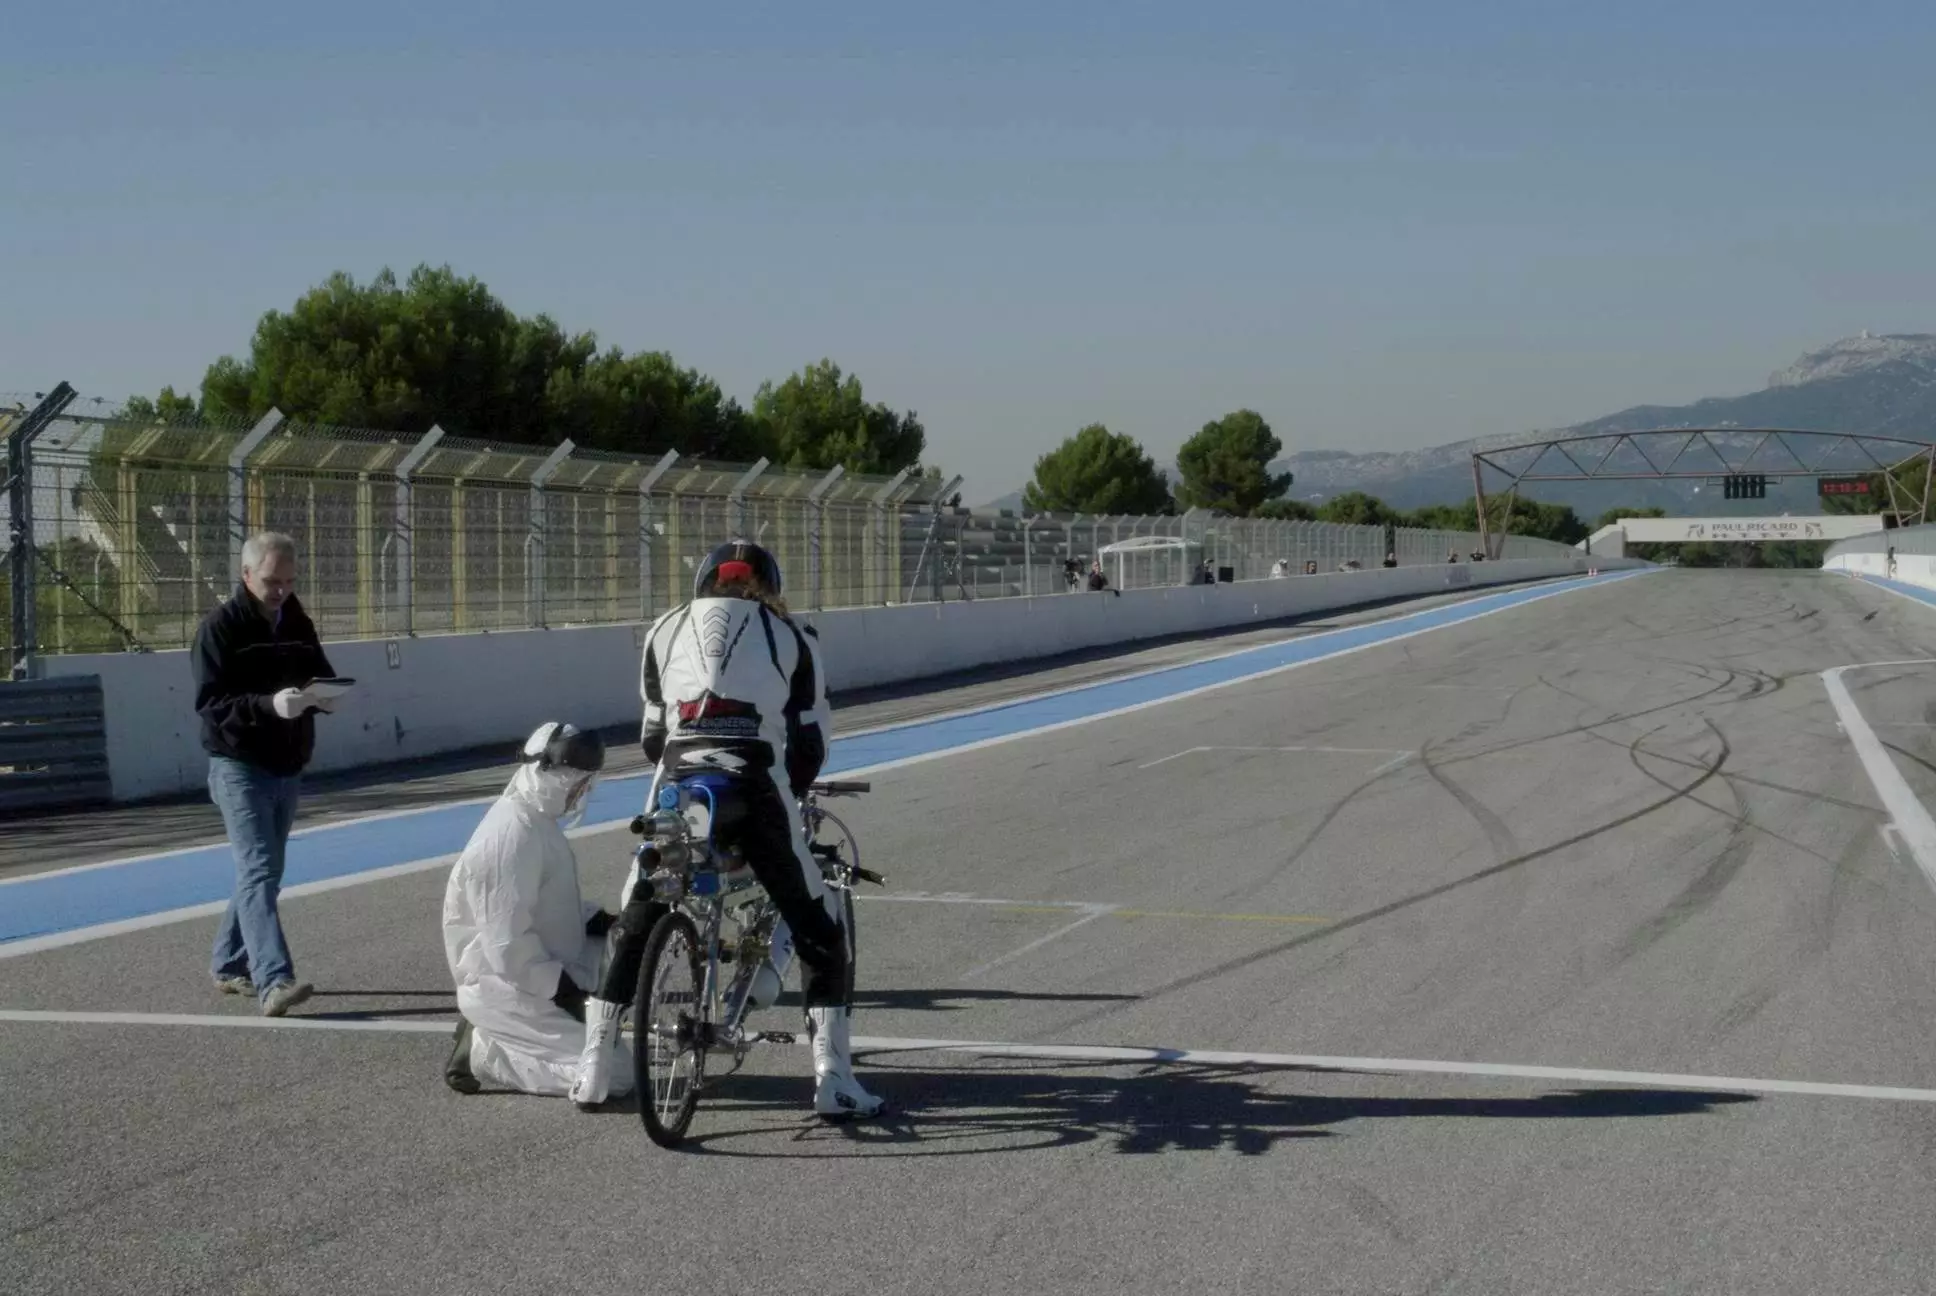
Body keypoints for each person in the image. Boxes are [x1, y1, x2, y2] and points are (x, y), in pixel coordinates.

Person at [569, 539, 887, 1123]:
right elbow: (810, 741)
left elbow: (652, 737)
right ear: (768, 586)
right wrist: (788, 792)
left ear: (702, 582)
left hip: (681, 788)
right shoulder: (794, 637)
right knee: (816, 922)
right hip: (754, 786)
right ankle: (834, 1079)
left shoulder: (662, 630)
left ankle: (593, 1067)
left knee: (638, 914)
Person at [441, 722, 633, 1099]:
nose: (580, 791)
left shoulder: (534, 821)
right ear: (544, 770)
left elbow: (546, 902)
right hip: (507, 984)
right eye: (574, 779)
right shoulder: (509, 836)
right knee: (617, 1076)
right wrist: (567, 996)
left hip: (538, 969)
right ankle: (484, 1050)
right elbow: (508, 946)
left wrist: (602, 920)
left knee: (621, 956)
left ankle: (518, 1035)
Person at [191, 532, 337, 1017]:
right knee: (259, 869)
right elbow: (211, 706)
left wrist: (324, 694)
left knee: (265, 871)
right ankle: (273, 979)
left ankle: (228, 962)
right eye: (273, 581)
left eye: (290, 581)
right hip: (238, 766)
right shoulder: (220, 627)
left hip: (287, 763)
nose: (281, 591)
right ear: (246, 575)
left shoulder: (296, 618)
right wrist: (268, 706)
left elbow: (319, 670)